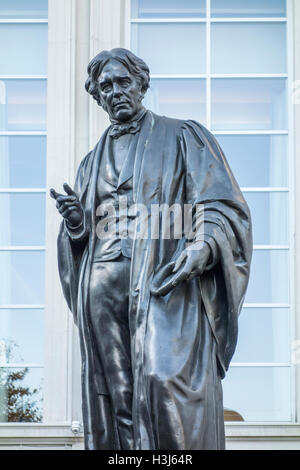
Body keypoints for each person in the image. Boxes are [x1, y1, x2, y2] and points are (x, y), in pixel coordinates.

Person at [50, 48, 252, 450]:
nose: (115, 92)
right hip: (101, 289)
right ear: (97, 95)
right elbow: (81, 238)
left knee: (163, 381)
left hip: (164, 284)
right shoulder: (90, 164)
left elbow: (220, 205)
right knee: (116, 392)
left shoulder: (181, 136)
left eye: (123, 82)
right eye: (105, 86)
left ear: (141, 84)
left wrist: (202, 246)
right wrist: (75, 224)